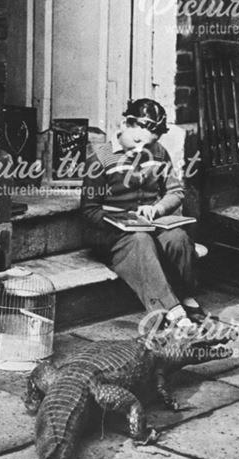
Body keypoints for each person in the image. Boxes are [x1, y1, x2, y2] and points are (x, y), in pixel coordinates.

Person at [80, 98, 206, 331]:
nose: (141, 149)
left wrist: (156, 209)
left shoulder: (159, 154)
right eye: (137, 140)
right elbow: (89, 211)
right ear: (124, 124)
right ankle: (173, 312)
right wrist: (118, 223)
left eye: (148, 145)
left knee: (177, 237)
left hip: (148, 225)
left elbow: (176, 192)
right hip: (111, 234)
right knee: (139, 239)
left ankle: (184, 296)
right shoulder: (100, 158)